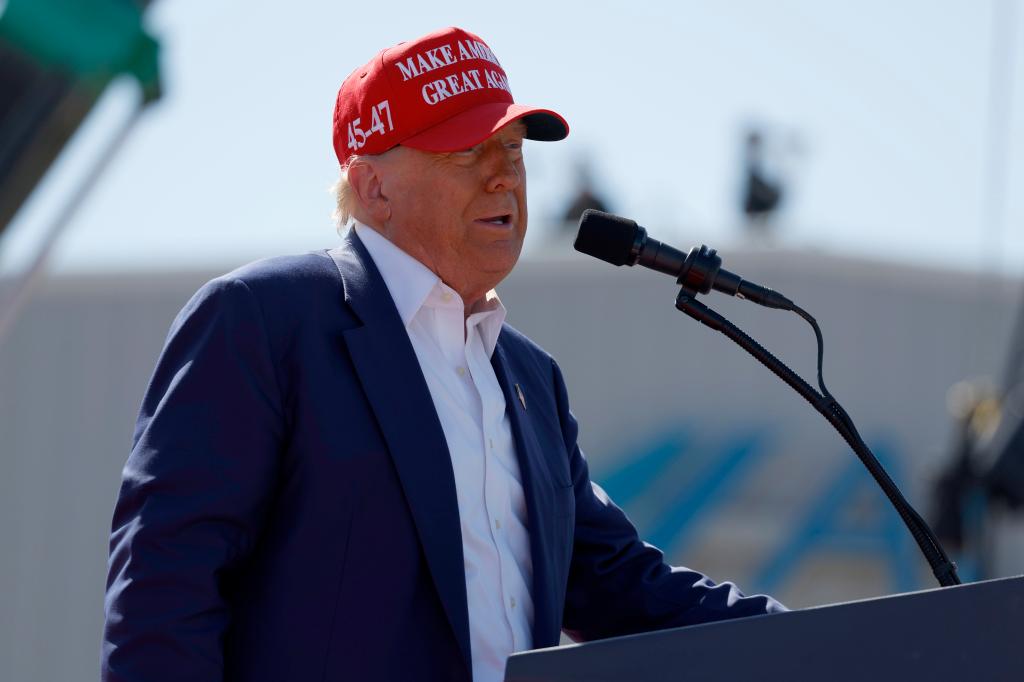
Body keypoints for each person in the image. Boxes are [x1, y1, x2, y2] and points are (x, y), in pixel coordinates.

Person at [102, 26, 784, 682]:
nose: (502, 180)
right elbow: (166, 583)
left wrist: (822, 641)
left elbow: (624, 587)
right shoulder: (262, 320)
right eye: (466, 154)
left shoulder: (529, 378)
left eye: (513, 154)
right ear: (373, 187)